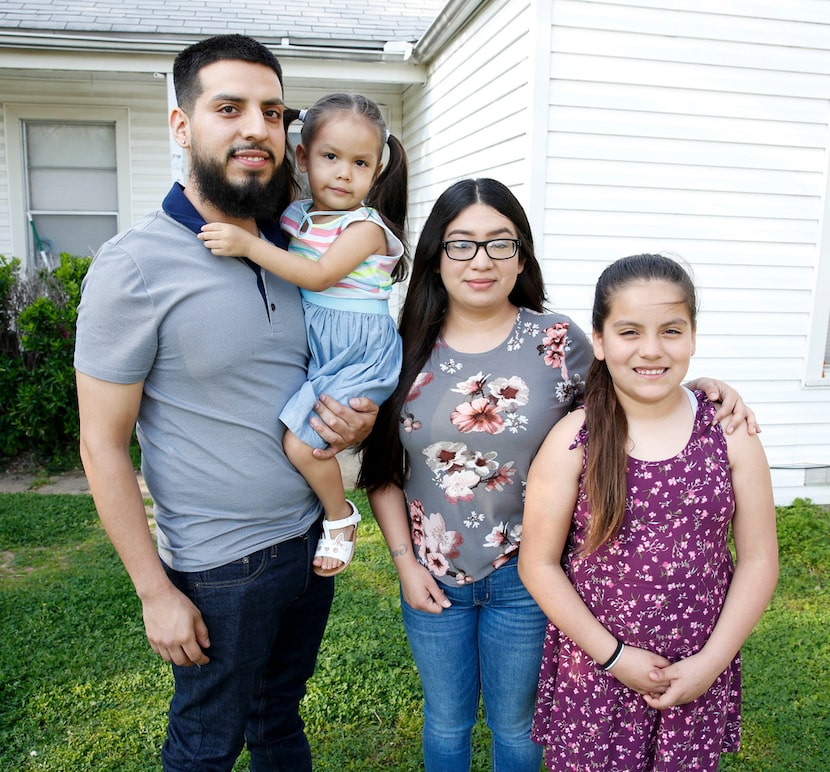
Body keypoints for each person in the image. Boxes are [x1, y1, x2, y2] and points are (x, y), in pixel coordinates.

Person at [358, 179, 756, 772]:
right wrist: (403, 563)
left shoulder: (559, 340)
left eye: (500, 243)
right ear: (437, 255)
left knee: (516, 727)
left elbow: (630, 387)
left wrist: (703, 390)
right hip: (432, 573)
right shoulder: (401, 345)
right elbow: (384, 468)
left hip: (532, 576)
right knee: (446, 720)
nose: (482, 260)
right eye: (461, 244)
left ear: (522, 257)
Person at [74, 35, 378, 771]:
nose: (255, 128)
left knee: (280, 718)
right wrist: (154, 591)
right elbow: (101, 445)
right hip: (219, 568)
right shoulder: (134, 265)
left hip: (310, 544)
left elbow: (332, 365)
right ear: (182, 125)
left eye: (272, 113)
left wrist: (358, 417)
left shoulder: (297, 246)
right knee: (207, 744)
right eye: (229, 107)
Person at [518, 253, 779, 771]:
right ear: (600, 339)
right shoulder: (575, 440)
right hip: (595, 675)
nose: (652, 350)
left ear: (694, 337)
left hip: (697, 674)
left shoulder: (729, 435)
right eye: (630, 331)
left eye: (671, 331)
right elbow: (539, 564)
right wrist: (616, 657)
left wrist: (711, 662)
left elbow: (758, 559)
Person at [199, 92, 409, 576]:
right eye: (330, 157)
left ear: (376, 172)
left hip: (358, 350)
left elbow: (317, 277)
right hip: (322, 343)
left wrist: (246, 245)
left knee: (301, 444)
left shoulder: (366, 229)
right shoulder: (298, 216)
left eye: (360, 162)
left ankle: (340, 516)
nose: (342, 173)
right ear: (302, 157)